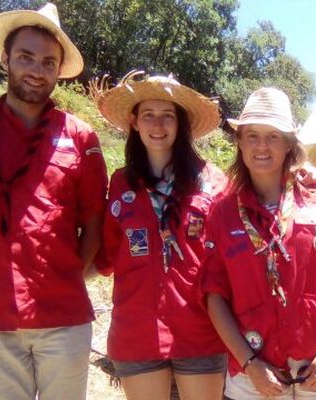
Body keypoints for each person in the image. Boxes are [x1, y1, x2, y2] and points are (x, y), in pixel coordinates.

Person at [0, 3, 108, 400]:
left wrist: (61, 277)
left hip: (62, 316)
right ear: (5, 59)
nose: (36, 69)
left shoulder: (81, 139)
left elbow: (94, 224)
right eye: (26, 57)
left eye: (48, 62)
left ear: (58, 70)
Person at [202, 87, 316, 400]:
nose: (262, 146)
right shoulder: (223, 211)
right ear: (239, 141)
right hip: (255, 375)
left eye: (273, 136)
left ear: (289, 143)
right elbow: (214, 294)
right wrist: (249, 363)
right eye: (252, 135)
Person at [91, 70, 228, 400]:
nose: (158, 125)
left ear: (181, 123)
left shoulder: (213, 181)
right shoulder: (120, 183)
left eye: (168, 116)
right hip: (137, 332)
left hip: (202, 331)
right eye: (148, 115)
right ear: (134, 122)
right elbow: (106, 256)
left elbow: (232, 253)